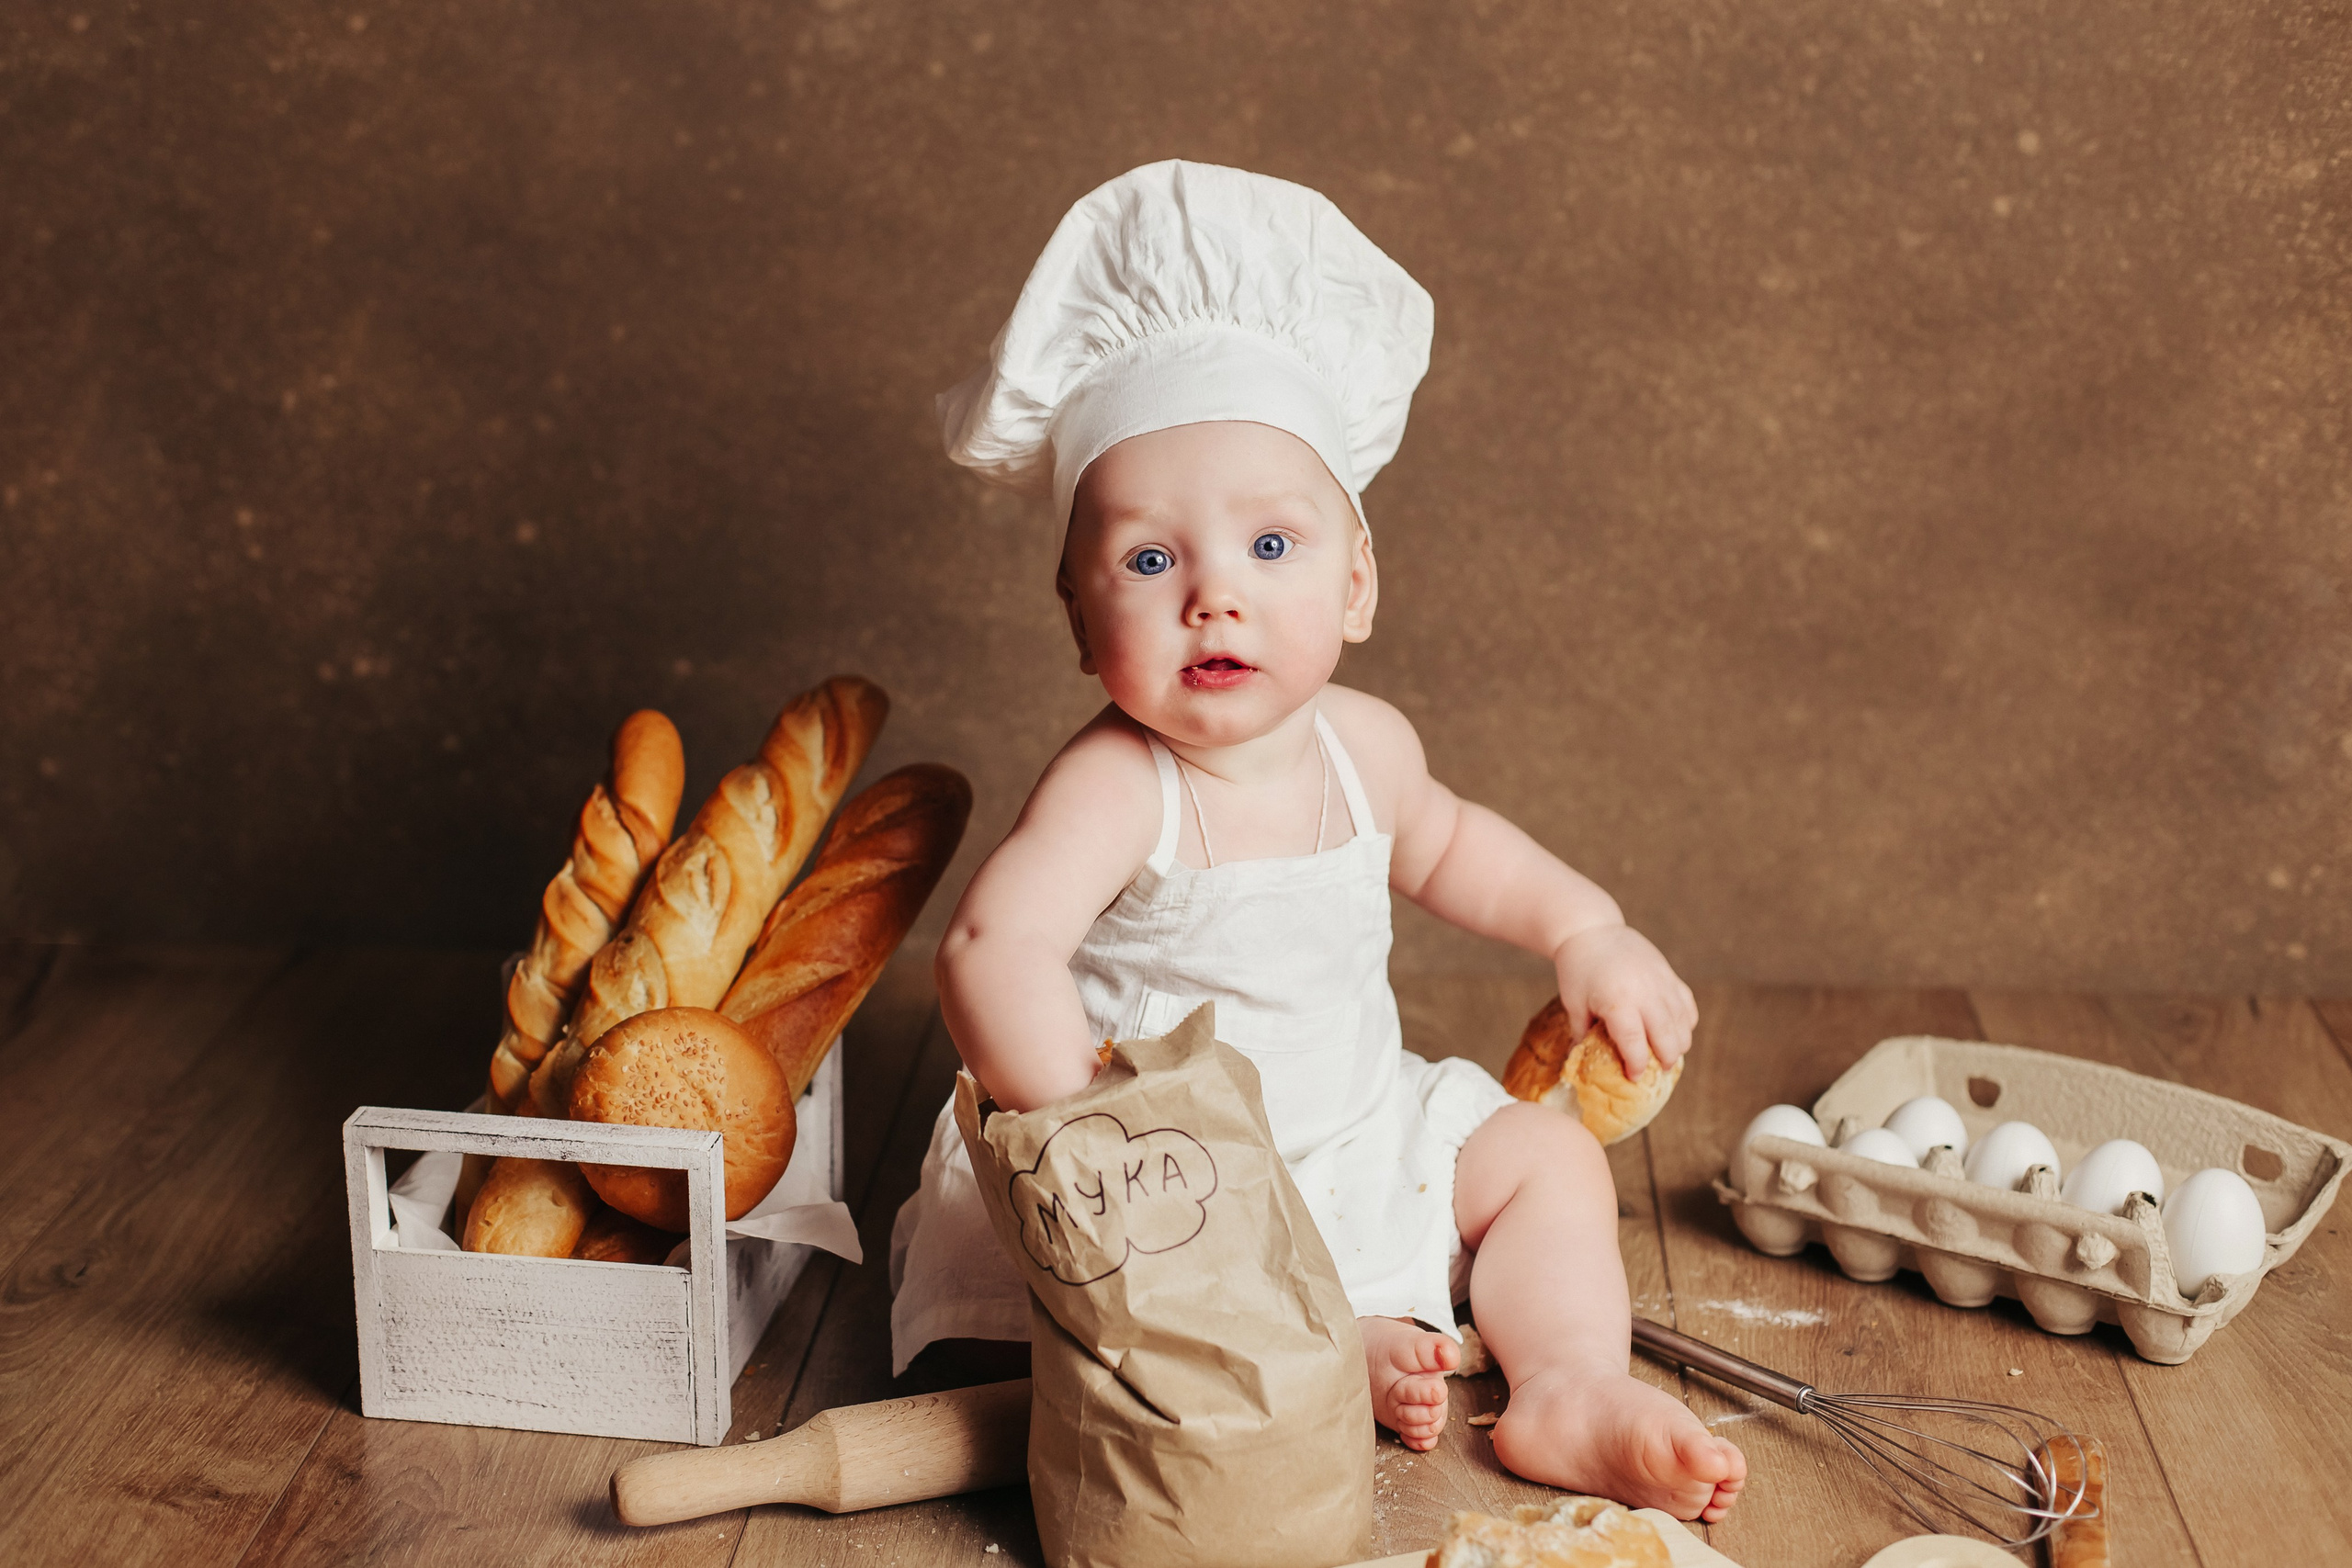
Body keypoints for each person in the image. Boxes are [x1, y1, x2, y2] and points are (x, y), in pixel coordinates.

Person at [888, 160, 1745, 1523]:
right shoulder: (1121, 782)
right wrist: (1095, 1127)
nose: (1215, 596)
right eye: (1152, 562)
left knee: (1549, 1162)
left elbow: (1460, 847)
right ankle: (1308, 1366)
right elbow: (995, 946)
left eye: (1271, 546)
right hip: (1176, 1190)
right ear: (1075, 613)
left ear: (1356, 583)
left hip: (1347, 1127)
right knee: (1138, 1316)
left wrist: (1587, 928)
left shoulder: (1368, 746)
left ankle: (1570, 1382)